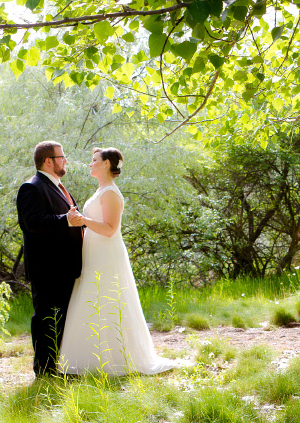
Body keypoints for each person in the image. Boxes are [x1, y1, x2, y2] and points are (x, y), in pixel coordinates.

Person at [59, 147, 192, 375]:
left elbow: (110, 229)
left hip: (107, 254)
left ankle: (116, 358)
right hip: (95, 253)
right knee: (92, 297)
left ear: (105, 164)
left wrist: (82, 220)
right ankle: (88, 358)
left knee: (109, 299)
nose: (90, 164)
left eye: (94, 160)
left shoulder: (110, 192)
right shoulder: (102, 190)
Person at [16, 141, 84, 377]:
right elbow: (32, 223)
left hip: (65, 267)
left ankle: (59, 367)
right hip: (48, 268)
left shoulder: (58, 187)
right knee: (46, 319)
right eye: (62, 156)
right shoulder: (31, 188)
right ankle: (44, 372)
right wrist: (65, 219)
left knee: (62, 319)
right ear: (48, 161)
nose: (65, 160)